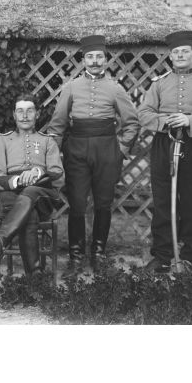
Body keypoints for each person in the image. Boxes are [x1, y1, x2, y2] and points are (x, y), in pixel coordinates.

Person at [47, 34, 140, 277]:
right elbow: (57, 125)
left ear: (106, 59)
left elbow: (132, 123)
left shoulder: (115, 88)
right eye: (90, 57)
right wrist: (54, 156)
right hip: (76, 149)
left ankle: (98, 255)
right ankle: (76, 257)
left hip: (107, 150)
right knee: (77, 204)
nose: (95, 61)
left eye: (99, 56)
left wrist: (120, 150)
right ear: (83, 60)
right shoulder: (71, 87)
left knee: (103, 203)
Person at [138, 30, 192, 273]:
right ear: (170, 56)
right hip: (164, 144)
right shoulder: (159, 84)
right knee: (163, 201)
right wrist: (166, 121)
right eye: (175, 52)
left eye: (185, 52)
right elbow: (144, 114)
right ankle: (163, 256)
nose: (180, 56)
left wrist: (189, 121)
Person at [0, 93, 65, 275]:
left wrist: (38, 173)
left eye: (30, 111)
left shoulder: (47, 141)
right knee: (30, 215)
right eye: (20, 111)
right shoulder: (3, 140)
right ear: (14, 115)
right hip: (12, 193)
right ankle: (35, 277)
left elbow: (59, 175)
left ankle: (0, 240)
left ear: (37, 114)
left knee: (32, 190)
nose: (25, 116)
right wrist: (18, 180)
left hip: (42, 195)